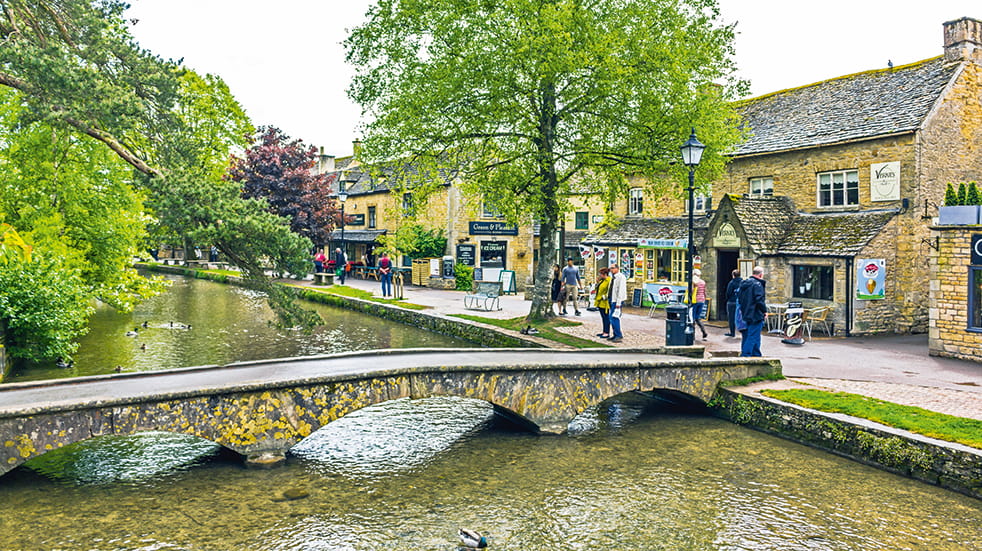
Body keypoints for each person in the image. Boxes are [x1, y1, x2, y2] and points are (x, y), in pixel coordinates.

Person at [738, 266, 768, 357]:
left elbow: (740, 298)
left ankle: (756, 353)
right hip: (755, 313)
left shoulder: (744, 283)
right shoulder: (757, 285)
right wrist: (764, 311)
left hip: (746, 312)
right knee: (752, 335)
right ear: (761, 274)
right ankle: (746, 355)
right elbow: (759, 300)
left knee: (753, 334)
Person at [607, 263, 627, 343]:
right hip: (612, 299)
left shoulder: (621, 277)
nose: (611, 270)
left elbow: (621, 291)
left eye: (612, 268)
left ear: (617, 268)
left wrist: (618, 303)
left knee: (614, 317)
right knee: (611, 318)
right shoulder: (613, 278)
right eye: (610, 268)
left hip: (616, 301)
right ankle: (615, 334)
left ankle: (618, 335)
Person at [724, 269, 743, 337]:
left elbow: (728, 293)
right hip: (741, 302)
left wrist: (727, 299)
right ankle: (742, 332)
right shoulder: (743, 282)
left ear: (733, 275)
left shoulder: (731, 283)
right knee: (741, 317)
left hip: (732, 302)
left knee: (731, 318)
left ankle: (732, 332)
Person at [593, 268, 611, 339]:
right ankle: (604, 331)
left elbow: (609, 291)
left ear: (604, 274)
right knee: (603, 317)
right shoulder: (601, 281)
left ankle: (607, 332)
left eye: (600, 274)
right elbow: (596, 289)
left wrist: (604, 297)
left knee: (606, 317)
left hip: (605, 302)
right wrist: (597, 283)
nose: (599, 275)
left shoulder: (608, 281)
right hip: (599, 301)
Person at [691, 269, 709, 340]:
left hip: (695, 301)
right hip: (702, 300)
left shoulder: (694, 282)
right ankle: (704, 332)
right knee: (698, 318)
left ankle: (692, 335)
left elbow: (692, 292)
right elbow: (705, 292)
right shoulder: (703, 282)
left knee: (692, 318)